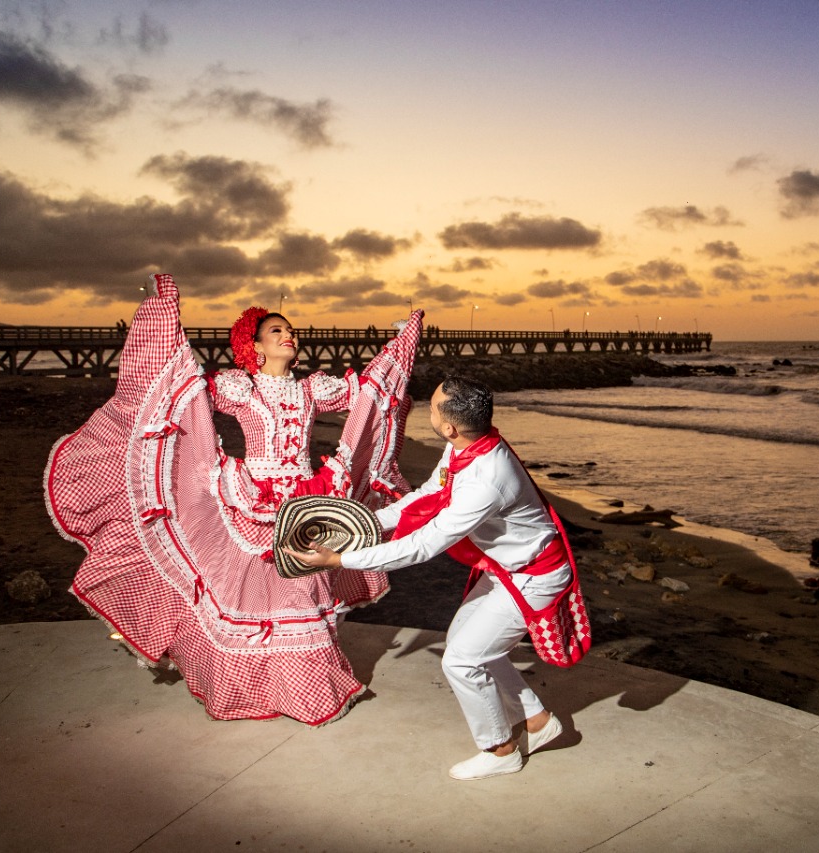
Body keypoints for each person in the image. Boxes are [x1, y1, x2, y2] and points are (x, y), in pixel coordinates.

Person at [45, 273, 422, 726]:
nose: (290, 337)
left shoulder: (312, 389)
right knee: (257, 592)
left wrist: (402, 340)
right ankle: (254, 685)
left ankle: (306, 686)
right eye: (277, 331)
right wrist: (164, 318)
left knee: (305, 585)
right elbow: (184, 393)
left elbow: (369, 394)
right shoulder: (240, 387)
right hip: (254, 496)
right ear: (256, 346)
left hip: (306, 497)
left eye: (291, 331)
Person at [283, 375, 571, 780]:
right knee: (468, 647)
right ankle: (539, 723)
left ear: (450, 426)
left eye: (433, 407)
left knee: (462, 660)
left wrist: (342, 561)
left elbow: (424, 545)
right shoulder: (468, 445)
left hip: (532, 575)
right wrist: (361, 524)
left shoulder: (486, 480)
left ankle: (500, 749)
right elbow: (428, 495)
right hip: (509, 567)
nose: (427, 410)